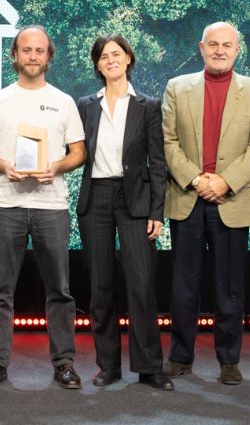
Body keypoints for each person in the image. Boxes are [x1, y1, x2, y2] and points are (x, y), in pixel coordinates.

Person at [0, 26, 87, 390]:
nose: (33, 56)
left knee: (60, 290)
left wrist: (57, 167)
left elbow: (79, 153)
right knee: (0, 290)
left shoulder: (63, 101)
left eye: (39, 50)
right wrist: (4, 166)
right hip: (7, 203)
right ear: (15, 55)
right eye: (26, 50)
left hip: (51, 206)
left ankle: (64, 362)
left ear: (49, 56)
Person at [161, 21, 250, 385]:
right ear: (201, 47)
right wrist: (196, 179)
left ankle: (229, 360)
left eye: (227, 45)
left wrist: (225, 181)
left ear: (237, 49)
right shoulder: (177, 87)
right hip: (188, 197)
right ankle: (180, 357)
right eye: (213, 44)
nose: (220, 50)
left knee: (230, 288)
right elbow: (168, 141)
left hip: (231, 198)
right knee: (183, 286)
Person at [74, 33, 172, 391]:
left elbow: (157, 162)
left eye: (116, 54)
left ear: (128, 58)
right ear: (98, 65)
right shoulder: (86, 104)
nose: (111, 60)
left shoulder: (148, 105)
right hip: (96, 198)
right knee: (100, 287)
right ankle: (108, 365)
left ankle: (149, 367)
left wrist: (157, 211)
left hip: (136, 199)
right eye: (104, 56)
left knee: (141, 286)